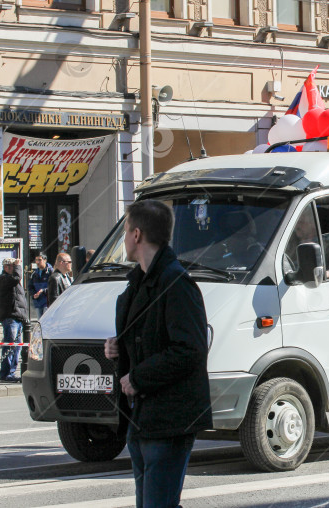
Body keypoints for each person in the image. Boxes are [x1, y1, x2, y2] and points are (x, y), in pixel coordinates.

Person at [104, 199, 212, 507]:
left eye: (125, 231)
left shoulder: (176, 283)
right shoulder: (139, 285)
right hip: (143, 419)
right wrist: (118, 346)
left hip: (169, 419)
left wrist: (138, 378)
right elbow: (150, 338)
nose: (124, 239)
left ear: (136, 235)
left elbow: (189, 350)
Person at [0, 258, 26, 382]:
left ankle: (11, 373)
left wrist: (24, 317)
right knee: (10, 346)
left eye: (14, 266)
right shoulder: (3, 278)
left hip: (17, 316)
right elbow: (15, 279)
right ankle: (6, 373)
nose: (12, 268)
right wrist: (18, 268)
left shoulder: (14, 281)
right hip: (10, 317)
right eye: (11, 266)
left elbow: (21, 300)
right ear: (6, 267)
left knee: (16, 347)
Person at [28, 252, 52, 318]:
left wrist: (43, 291)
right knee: (40, 322)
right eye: (36, 260)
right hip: (38, 302)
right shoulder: (34, 273)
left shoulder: (50, 272)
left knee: (46, 320)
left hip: (47, 302)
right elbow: (30, 286)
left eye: (40, 260)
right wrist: (33, 294)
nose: (37, 262)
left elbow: (53, 287)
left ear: (45, 260)